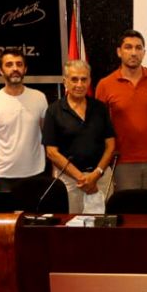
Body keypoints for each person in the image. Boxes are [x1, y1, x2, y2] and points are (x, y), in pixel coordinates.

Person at [96, 30, 147, 193]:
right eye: (128, 47)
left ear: (144, 52)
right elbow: (99, 128)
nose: (134, 52)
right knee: (127, 212)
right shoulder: (105, 84)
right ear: (119, 51)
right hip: (121, 163)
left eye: (138, 48)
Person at [42, 60, 116, 213]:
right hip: (70, 181)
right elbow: (51, 152)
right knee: (72, 228)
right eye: (74, 79)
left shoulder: (100, 108)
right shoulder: (54, 111)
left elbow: (110, 145)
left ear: (89, 81)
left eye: (84, 79)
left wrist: (96, 174)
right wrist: (81, 178)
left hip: (100, 178)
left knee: (103, 227)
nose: (79, 84)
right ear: (65, 81)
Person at [0, 50, 47, 192]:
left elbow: (48, 137)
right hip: (4, 177)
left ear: (25, 69)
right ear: (0, 70)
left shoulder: (39, 98)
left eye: (19, 64)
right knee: (8, 215)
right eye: (9, 65)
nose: (15, 68)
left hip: (37, 173)